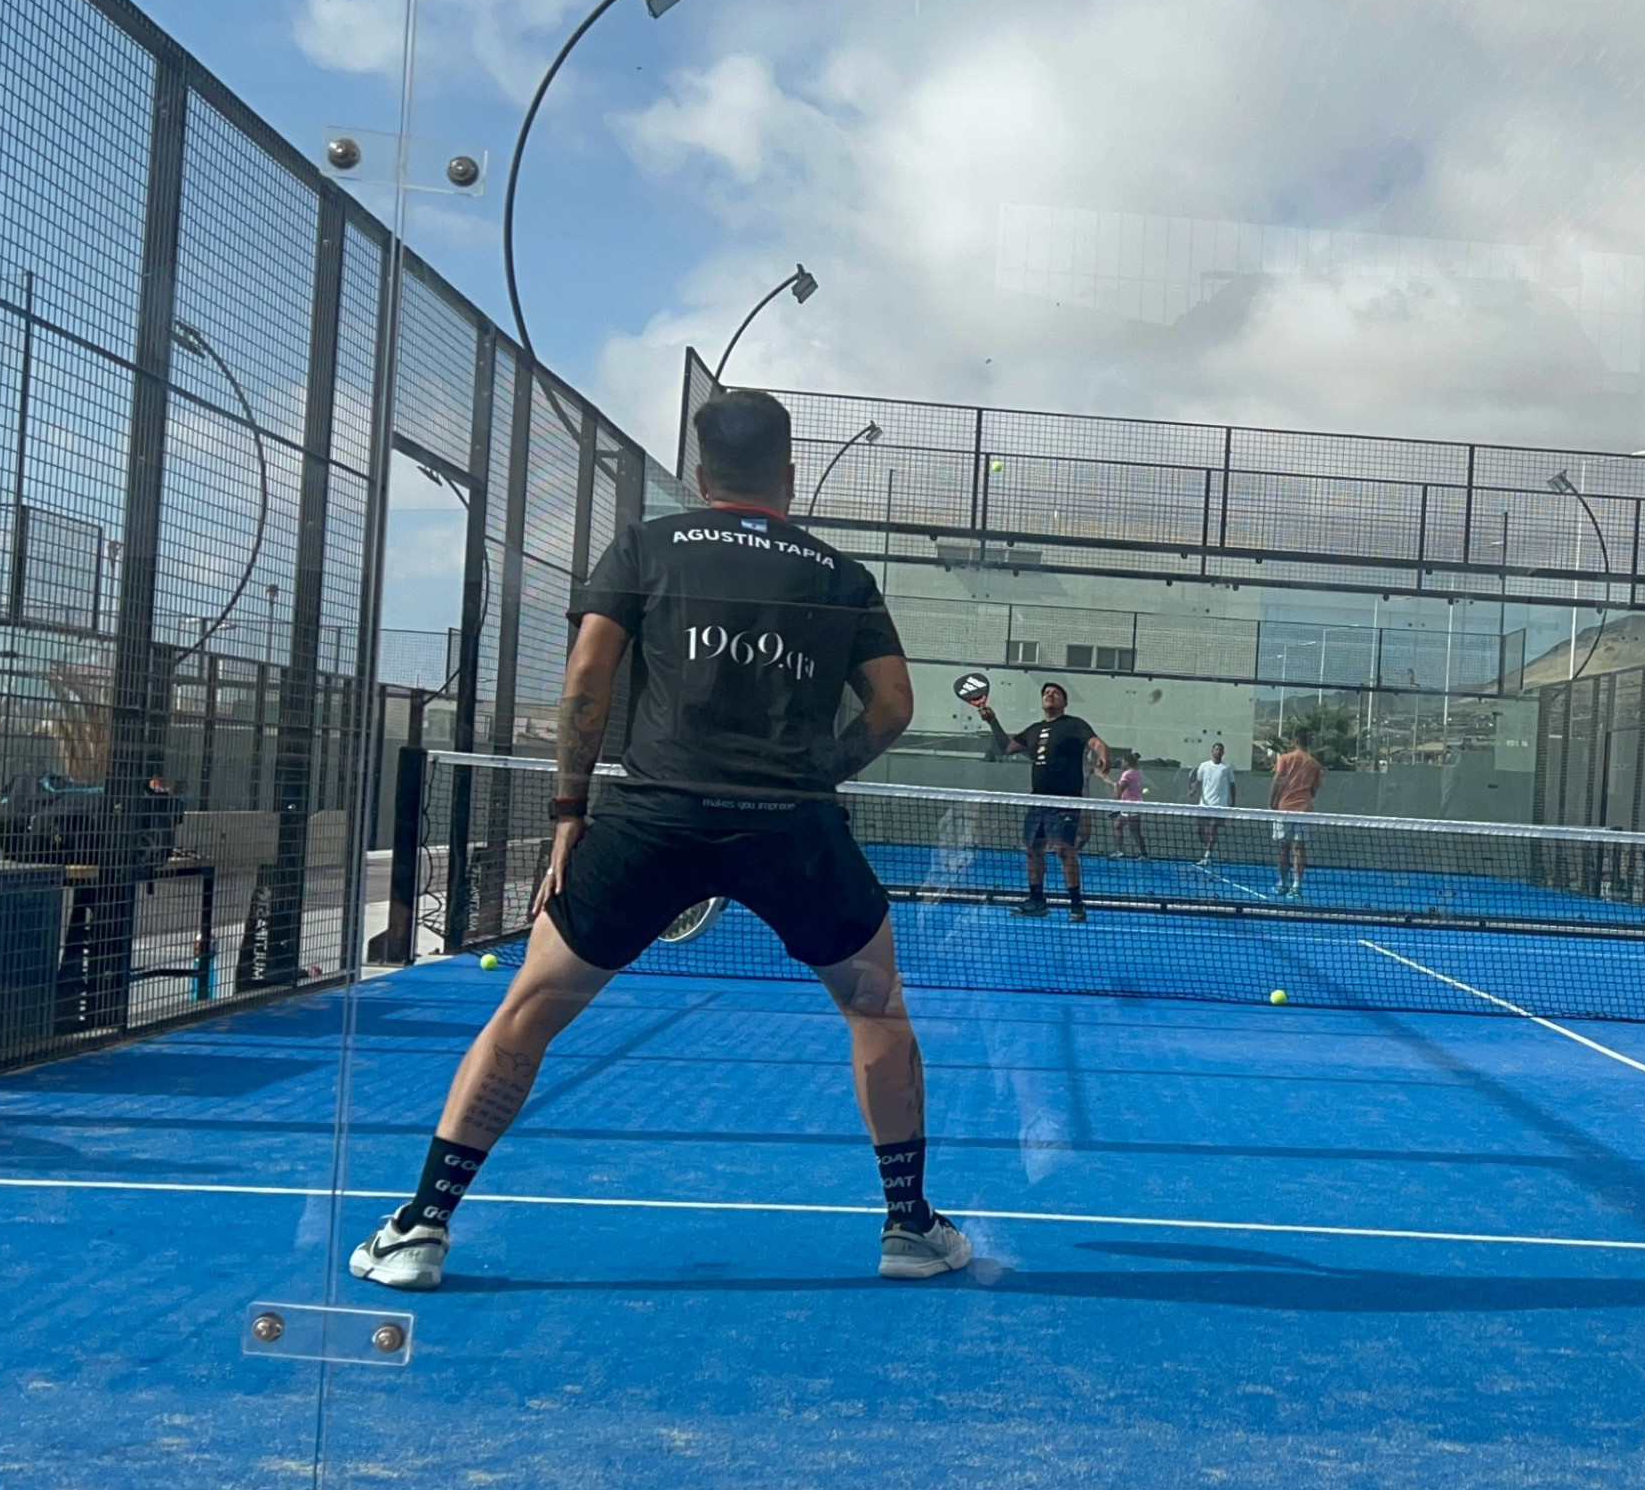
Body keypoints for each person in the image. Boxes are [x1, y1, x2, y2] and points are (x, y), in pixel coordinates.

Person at [350, 389, 970, 1290]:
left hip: (652, 818)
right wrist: (814, 773)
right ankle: (910, 1227)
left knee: (530, 1007)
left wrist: (570, 809)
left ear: (702, 474)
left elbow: (588, 674)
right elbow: (894, 707)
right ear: (790, 474)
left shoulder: (646, 546)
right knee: (875, 1006)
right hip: (793, 827)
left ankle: (420, 1227)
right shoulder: (841, 576)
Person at [978, 682, 1108, 920]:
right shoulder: (1034, 730)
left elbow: (1097, 743)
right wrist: (992, 721)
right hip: (1038, 801)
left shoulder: (1074, 725)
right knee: (1033, 849)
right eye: (1046, 692)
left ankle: (1076, 905)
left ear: (1064, 702)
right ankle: (1037, 901)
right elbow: (1007, 748)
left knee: (1064, 850)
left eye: (1056, 693)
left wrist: (1103, 755)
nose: (1050, 694)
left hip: (1066, 800)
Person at [1268, 727, 1322, 898]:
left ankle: (1283, 883)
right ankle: (1296, 885)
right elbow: (1313, 791)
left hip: (1284, 809)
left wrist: (1272, 803)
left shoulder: (1284, 759)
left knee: (1283, 848)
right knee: (1299, 848)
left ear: (1295, 740)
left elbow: (1277, 781)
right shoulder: (1315, 764)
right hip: (1304, 810)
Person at [1189, 741, 1235, 870]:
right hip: (1204, 805)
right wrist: (1193, 791)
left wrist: (1233, 801)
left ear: (1223, 752)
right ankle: (1208, 846)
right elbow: (1198, 781)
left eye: (1220, 750)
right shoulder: (1204, 766)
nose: (1218, 752)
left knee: (1213, 830)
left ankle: (1207, 855)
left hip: (1220, 805)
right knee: (1200, 830)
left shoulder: (1227, 767)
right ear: (1212, 751)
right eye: (1216, 749)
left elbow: (1232, 785)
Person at [1098, 750, 1148, 859]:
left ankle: (1144, 854)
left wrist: (1115, 794)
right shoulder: (1138, 772)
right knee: (1118, 826)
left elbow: (1120, 790)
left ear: (1126, 762)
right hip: (1130, 804)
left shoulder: (1127, 774)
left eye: (1122, 762)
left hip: (1131, 805)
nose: (1121, 764)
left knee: (1135, 830)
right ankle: (1119, 851)